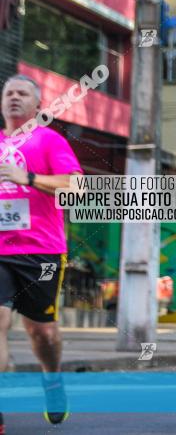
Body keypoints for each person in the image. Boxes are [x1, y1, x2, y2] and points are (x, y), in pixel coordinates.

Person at [0, 74, 83, 430]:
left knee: (42, 333)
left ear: (37, 105)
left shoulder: (48, 141)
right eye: (9, 93)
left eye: (23, 93)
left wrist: (28, 178)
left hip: (41, 252)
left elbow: (77, 186)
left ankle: (52, 379)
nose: (14, 98)